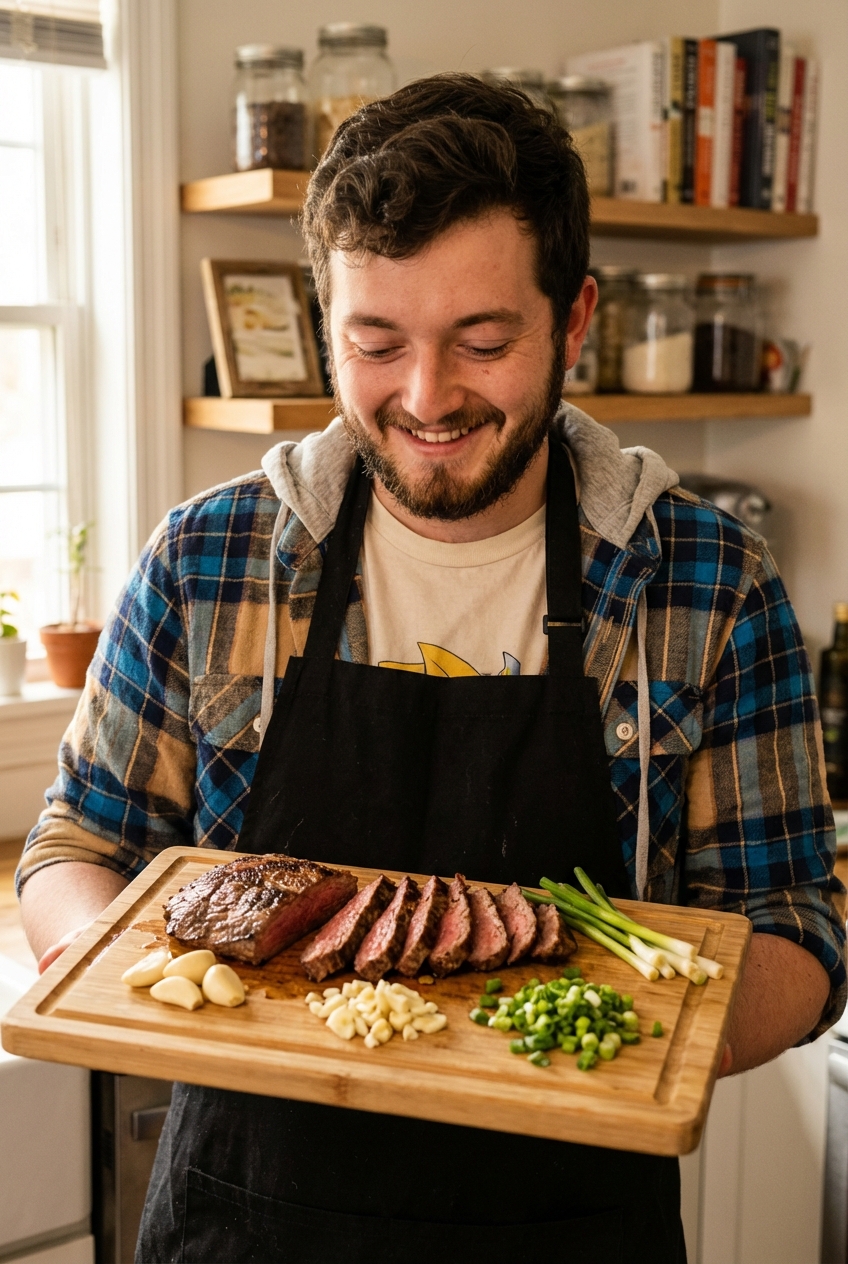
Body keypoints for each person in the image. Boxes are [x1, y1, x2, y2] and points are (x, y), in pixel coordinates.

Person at [18, 74, 845, 1264]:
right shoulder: (208, 559)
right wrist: (188, 980)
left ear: (573, 322)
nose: (424, 397)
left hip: (566, 1227)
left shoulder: (705, 583)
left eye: (483, 341)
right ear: (327, 327)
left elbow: (794, 933)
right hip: (243, 1222)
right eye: (375, 343)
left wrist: (579, 1043)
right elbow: (74, 853)